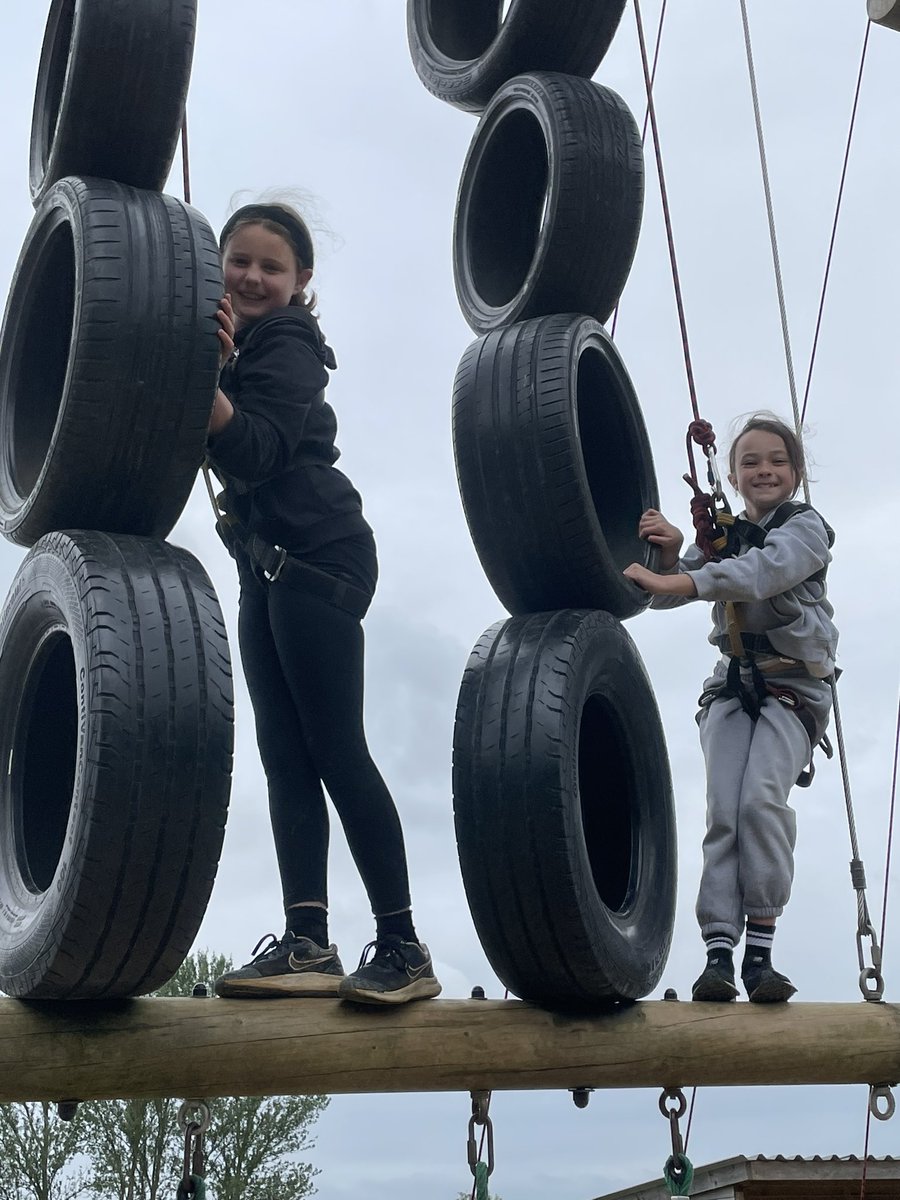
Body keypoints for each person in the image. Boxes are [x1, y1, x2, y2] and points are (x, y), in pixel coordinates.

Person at [206, 200, 440, 1005]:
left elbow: (263, 446)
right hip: (262, 565)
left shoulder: (288, 342)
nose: (253, 277)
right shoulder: (229, 347)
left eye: (272, 267)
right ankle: (307, 941)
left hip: (320, 552)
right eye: (239, 261)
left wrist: (201, 380)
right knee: (285, 757)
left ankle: (404, 946)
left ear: (301, 281)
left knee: (336, 748)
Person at [623, 414, 837, 1003]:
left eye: (776, 461)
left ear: (795, 472)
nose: (763, 470)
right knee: (724, 810)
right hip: (734, 686)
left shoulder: (805, 530)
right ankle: (719, 952)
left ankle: (760, 956)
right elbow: (676, 590)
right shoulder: (727, 536)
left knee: (759, 803)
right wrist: (670, 560)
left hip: (792, 688)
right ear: (734, 475)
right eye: (750, 463)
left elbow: (762, 574)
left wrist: (684, 581)